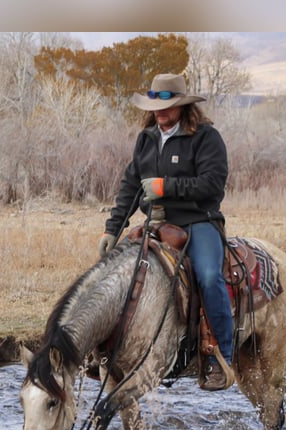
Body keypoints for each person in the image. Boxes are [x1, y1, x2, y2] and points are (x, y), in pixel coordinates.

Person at [98, 73, 235, 391]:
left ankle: (221, 357)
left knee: (209, 275)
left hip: (198, 222)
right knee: (116, 275)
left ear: (182, 106)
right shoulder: (146, 139)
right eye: (156, 105)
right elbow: (131, 186)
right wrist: (112, 229)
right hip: (156, 225)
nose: (161, 111)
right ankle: (109, 354)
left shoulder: (205, 137)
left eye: (168, 104)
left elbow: (212, 184)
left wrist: (166, 186)